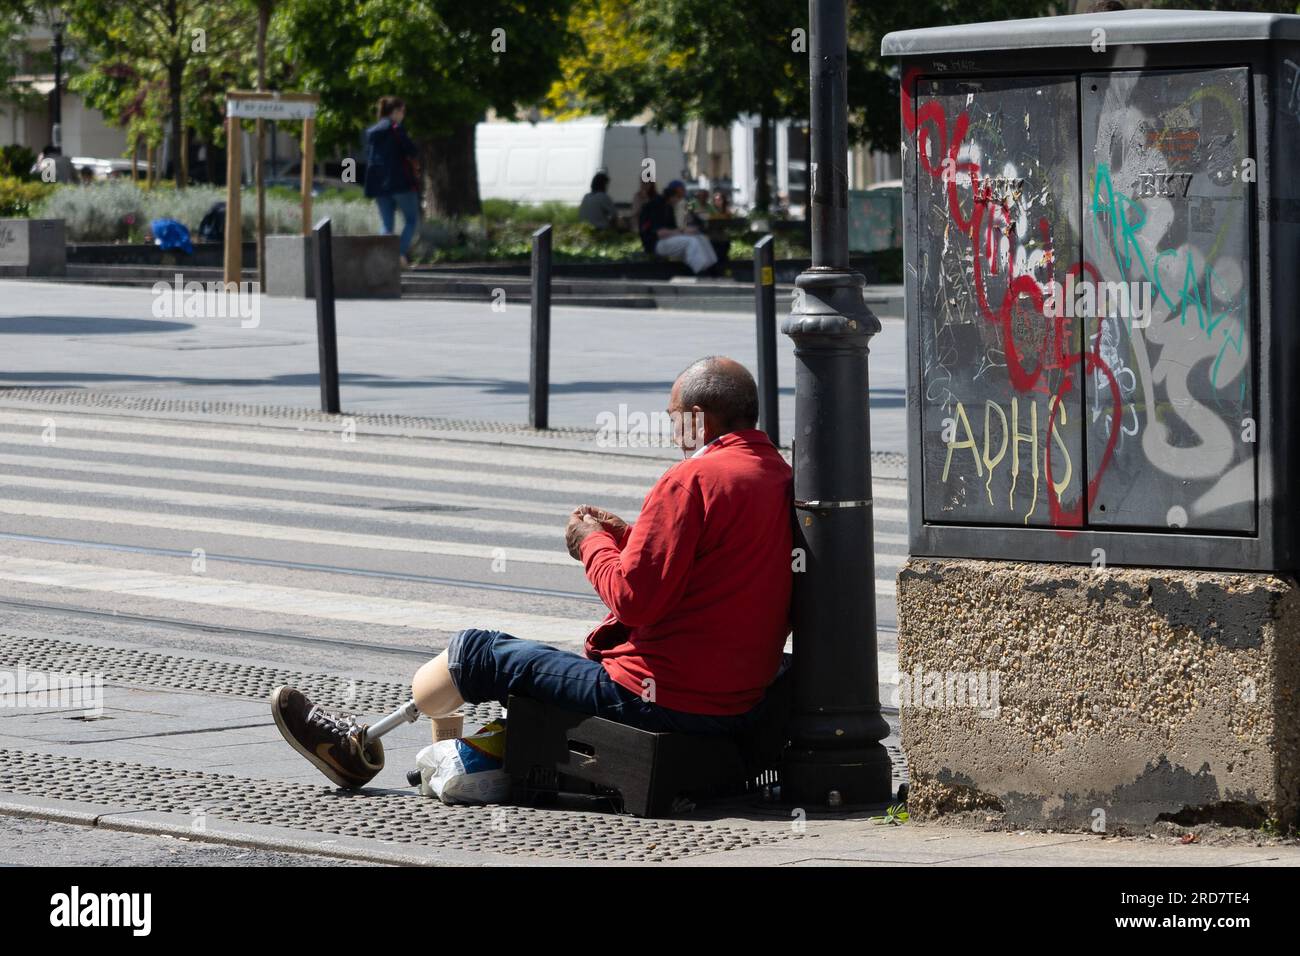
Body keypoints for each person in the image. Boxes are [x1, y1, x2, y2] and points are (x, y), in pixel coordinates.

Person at [269, 356, 794, 789]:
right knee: (511, 661)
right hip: (736, 702)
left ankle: (357, 746)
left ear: (700, 417)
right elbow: (711, 568)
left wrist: (591, 545)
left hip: (656, 697)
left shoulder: (692, 478)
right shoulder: (775, 474)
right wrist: (629, 538)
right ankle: (432, 755)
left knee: (477, 652)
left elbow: (635, 599)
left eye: (674, 417)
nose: (672, 432)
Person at [363, 96, 421, 267]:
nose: (404, 115)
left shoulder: (372, 132)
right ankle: (397, 254)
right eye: (403, 111)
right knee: (411, 220)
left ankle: (382, 260)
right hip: (400, 182)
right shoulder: (396, 129)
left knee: (387, 225)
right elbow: (412, 151)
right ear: (395, 112)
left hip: (378, 185)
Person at [638, 180, 718, 276]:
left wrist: (688, 231)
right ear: (673, 195)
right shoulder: (657, 205)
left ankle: (712, 269)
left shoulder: (669, 207)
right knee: (691, 242)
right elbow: (660, 233)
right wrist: (682, 231)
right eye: (678, 197)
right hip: (655, 244)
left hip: (666, 240)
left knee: (701, 238)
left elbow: (673, 229)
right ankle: (701, 272)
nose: (679, 200)